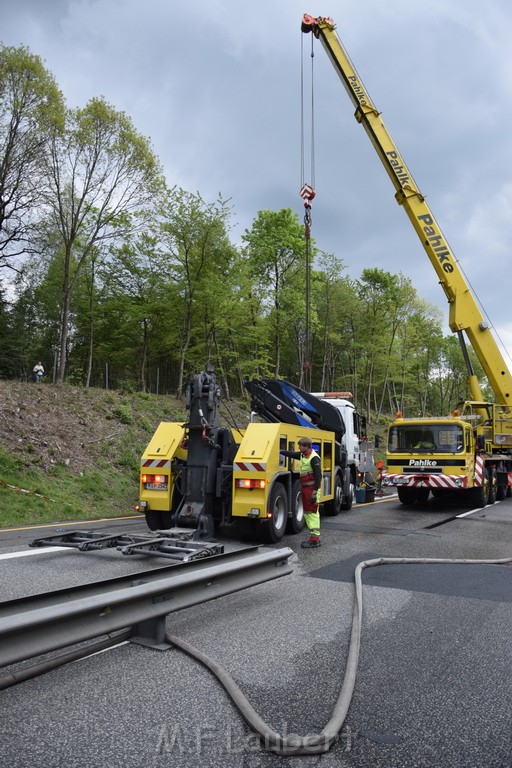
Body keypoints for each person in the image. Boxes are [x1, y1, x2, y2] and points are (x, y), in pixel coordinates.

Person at [280, 436, 322, 548]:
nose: (299, 448)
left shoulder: (314, 458)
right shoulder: (303, 455)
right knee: (308, 513)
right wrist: (281, 452)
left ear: (307, 447)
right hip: (305, 488)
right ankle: (314, 538)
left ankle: (315, 539)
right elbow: (293, 454)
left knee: (312, 513)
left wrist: (314, 492)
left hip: (311, 489)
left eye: (301, 446)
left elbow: (318, 476)